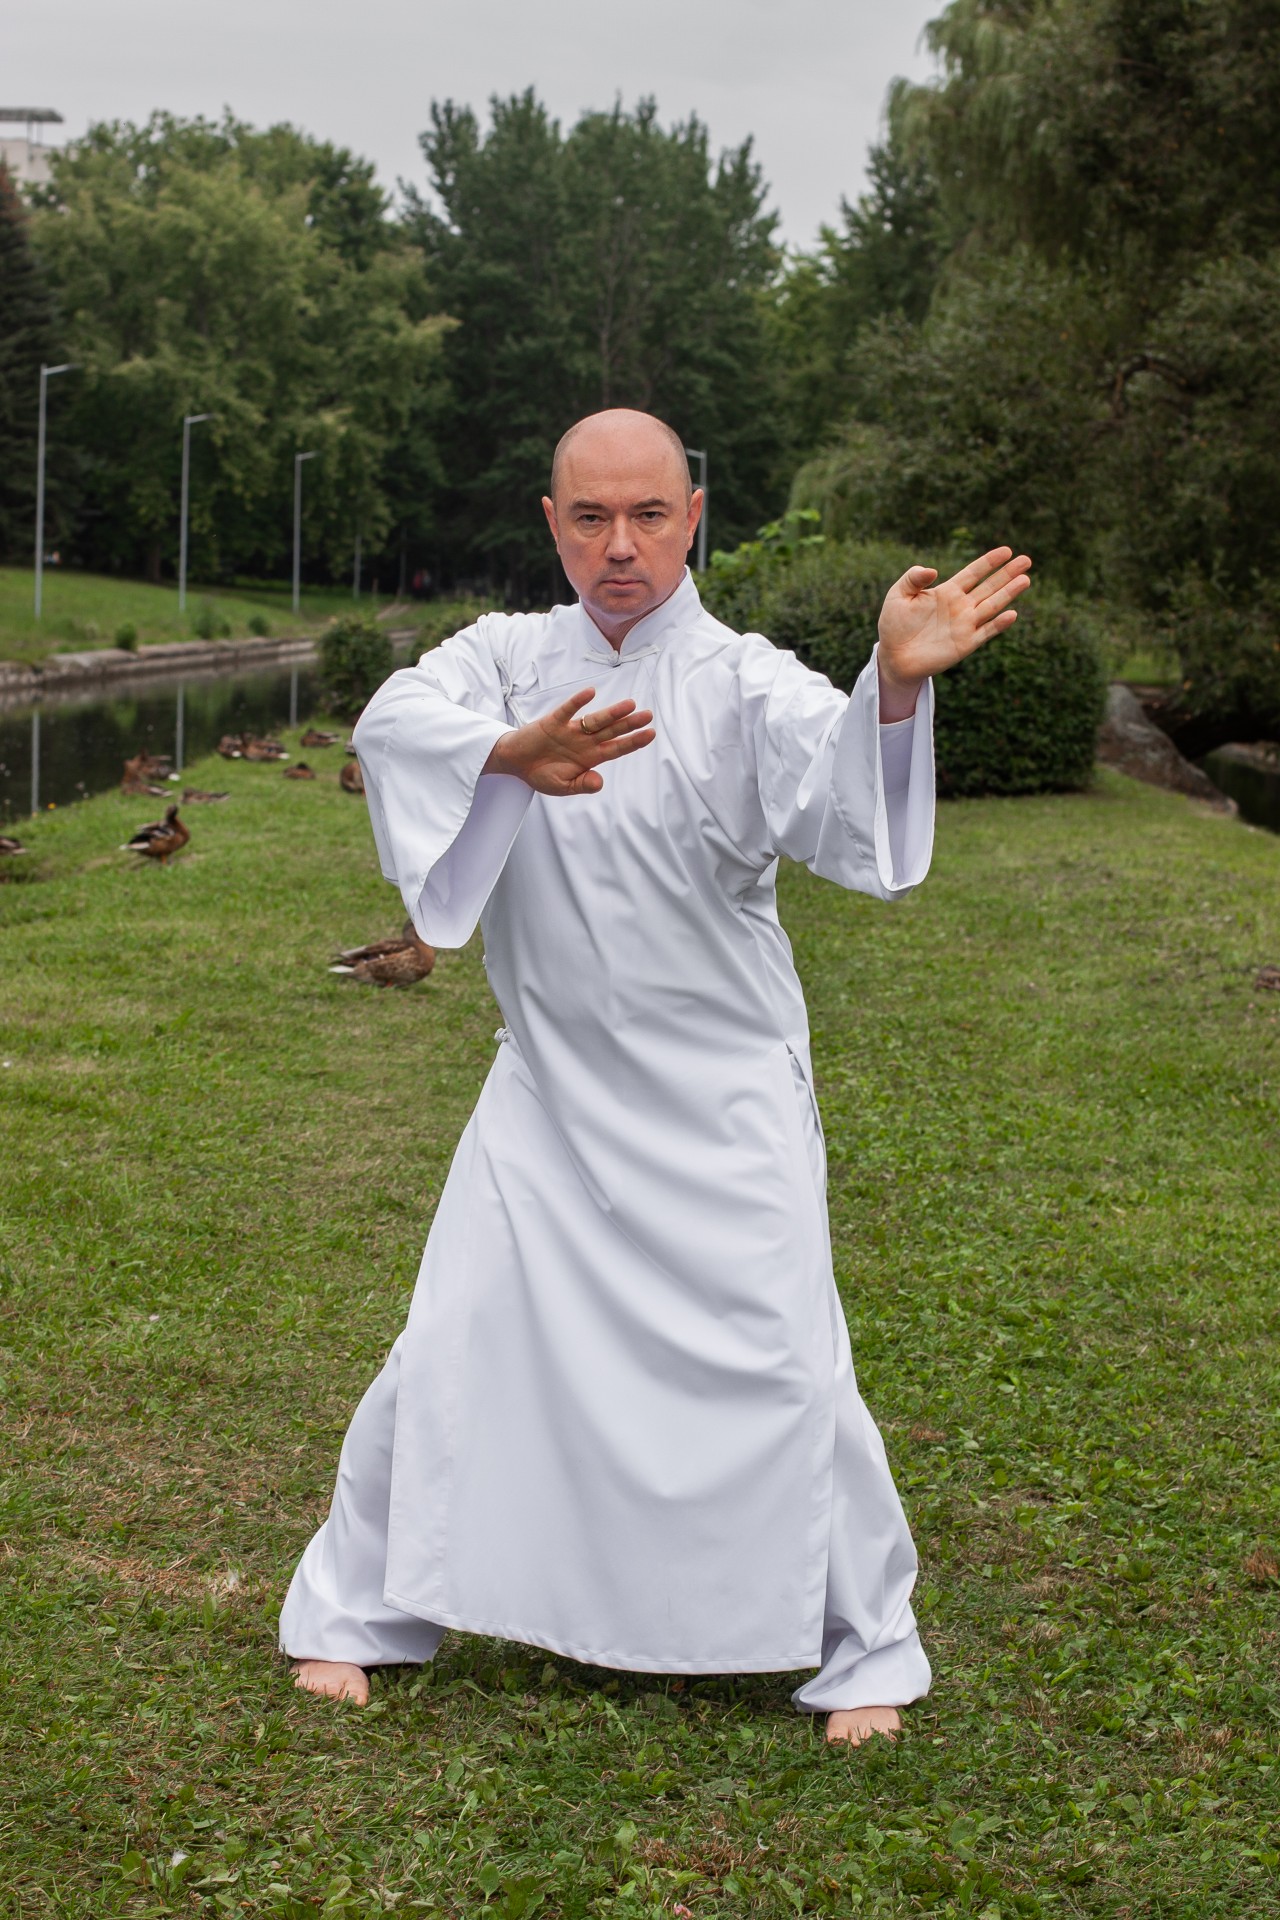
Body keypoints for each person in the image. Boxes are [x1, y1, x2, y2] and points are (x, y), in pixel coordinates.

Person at [279, 408, 1031, 1745]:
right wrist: (505, 755)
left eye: (644, 516)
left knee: (792, 1365)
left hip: (722, 1092)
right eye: (589, 518)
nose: (618, 546)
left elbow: (843, 805)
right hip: (549, 1087)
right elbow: (396, 718)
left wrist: (893, 686)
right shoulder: (505, 659)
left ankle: (863, 1647)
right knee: (451, 1335)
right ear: (552, 523)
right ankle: (356, 1613)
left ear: (692, 517)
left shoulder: (744, 680)